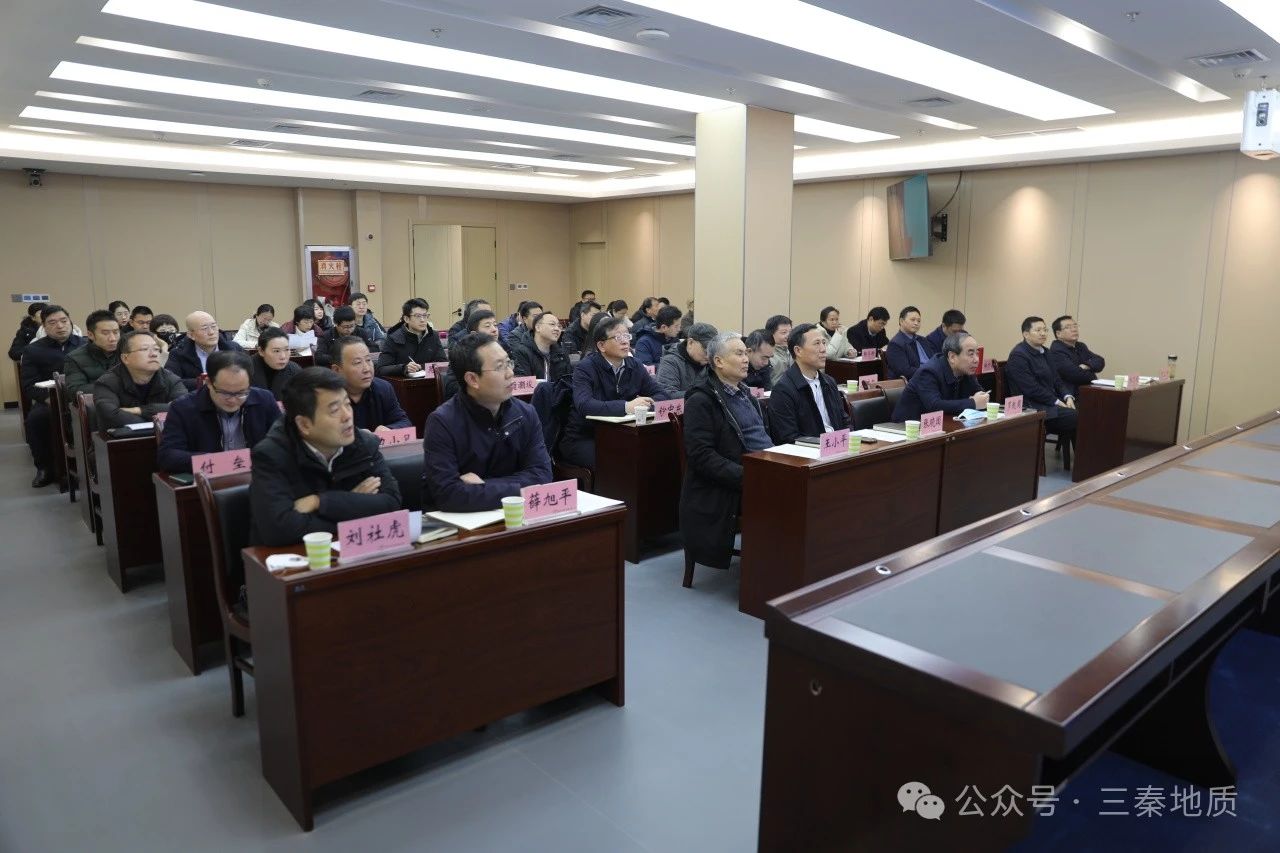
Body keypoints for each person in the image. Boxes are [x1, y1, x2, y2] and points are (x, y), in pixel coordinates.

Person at [247, 367, 402, 547]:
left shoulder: (364, 443)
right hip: (292, 559)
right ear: (304, 424)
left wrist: (320, 502)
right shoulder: (270, 455)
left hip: (354, 552)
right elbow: (280, 529)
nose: (347, 416)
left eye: (347, 404)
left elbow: (391, 502)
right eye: (334, 410)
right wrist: (354, 505)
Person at [421, 332, 552, 512]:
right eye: (500, 367)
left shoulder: (525, 413)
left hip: (513, 515)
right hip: (463, 522)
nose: (510, 373)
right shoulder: (442, 422)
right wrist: (519, 489)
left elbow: (542, 476)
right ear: (472, 379)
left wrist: (484, 486)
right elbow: (448, 494)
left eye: (509, 363)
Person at [680, 332, 773, 571]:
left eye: (746, 353)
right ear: (719, 361)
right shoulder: (701, 400)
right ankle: (772, 569)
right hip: (730, 484)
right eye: (739, 353)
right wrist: (748, 475)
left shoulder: (745, 393)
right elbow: (701, 456)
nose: (746, 359)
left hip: (766, 468)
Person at [559, 316, 669, 469]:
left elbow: (662, 395)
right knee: (617, 462)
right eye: (618, 337)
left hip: (621, 433)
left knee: (656, 454)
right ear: (601, 345)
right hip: (584, 436)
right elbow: (585, 405)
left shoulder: (635, 365)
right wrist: (627, 407)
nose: (625, 342)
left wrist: (643, 407)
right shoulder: (585, 368)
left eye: (626, 336)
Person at [157, 350, 279, 473]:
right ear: (209, 383)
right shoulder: (183, 408)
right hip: (208, 478)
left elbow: (282, 443)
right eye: (225, 393)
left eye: (241, 393)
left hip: (258, 476)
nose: (232, 400)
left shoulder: (264, 400)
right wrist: (221, 462)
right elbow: (168, 456)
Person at [20, 304, 83, 487]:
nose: (60, 326)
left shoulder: (85, 344)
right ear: (44, 327)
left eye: (64, 321)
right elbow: (29, 385)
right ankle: (44, 468)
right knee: (36, 419)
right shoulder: (33, 350)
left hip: (80, 396)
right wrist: (50, 400)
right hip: (49, 399)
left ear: (70, 322)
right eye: (53, 323)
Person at [767, 323, 850, 445]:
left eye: (824, 343)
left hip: (837, 447)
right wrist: (824, 445)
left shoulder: (829, 382)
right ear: (798, 351)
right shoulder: (783, 390)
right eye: (817, 343)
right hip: (811, 451)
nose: (823, 349)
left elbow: (844, 420)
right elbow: (788, 438)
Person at [94, 331, 187, 428]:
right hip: (124, 437)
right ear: (125, 358)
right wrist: (158, 420)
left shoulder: (170, 379)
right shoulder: (107, 382)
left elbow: (184, 408)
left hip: (165, 435)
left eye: (156, 349)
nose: (154, 354)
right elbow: (111, 416)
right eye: (144, 349)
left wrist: (140, 410)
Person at [1005, 316, 1078, 438]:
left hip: (1049, 402)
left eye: (1045, 330)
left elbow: (1056, 379)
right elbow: (1031, 389)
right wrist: (1057, 401)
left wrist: (1067, 396)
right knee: (1077, 417)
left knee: (1084, 411)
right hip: (1032, 406)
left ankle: (1082, 451)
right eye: (1038, 330)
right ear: (1026, 334)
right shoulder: (1018, 356)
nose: (1043, 333)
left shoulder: (1046, 352)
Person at [893, 334, 990, 421]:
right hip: (906, 428)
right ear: (952, 357)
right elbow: (934, 406)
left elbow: (980, 395)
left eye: (977, 354)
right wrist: (972, 403)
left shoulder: (966, 371)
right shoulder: (928, 372)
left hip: (945, 424)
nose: (976, 360)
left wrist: (982, 398)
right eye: (971, 354)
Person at [330, 335, 411, 432]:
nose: (367, 369)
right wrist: (359, 436)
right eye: (357, 362)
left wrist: (389, 429)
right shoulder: (326, 397)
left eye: (368, 360)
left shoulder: (383, 388)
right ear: (336, 370)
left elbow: (404, 422)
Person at [167, 311, 243, 390]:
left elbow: (248, 374)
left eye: (214, 326)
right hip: (196, 396)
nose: (211, 332)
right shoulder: (178, 354)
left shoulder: (234, 348)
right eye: (204, 329)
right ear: (191, 335)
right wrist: (204, 382)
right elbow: (171, 382)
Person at [377, 297, 446, 377]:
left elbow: (443, 363)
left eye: (425, 315)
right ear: (406, 319)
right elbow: (381, 369)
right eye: (418, 316)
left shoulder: (433, 335)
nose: (423, 320)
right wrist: (404, 368)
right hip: (404, 382)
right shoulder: (394, 337)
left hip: (429, 380)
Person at [63, 309, 120, 397]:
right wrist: (113, 387)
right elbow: (75, 390)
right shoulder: (75, 358)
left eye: (116, 332)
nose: (113, 338)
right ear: (90, 335)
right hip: (97, 403)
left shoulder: (127, 352)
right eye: (105, 333)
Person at [1049, 315, 1106, 397]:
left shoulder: (1080, 346)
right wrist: (1092, 372)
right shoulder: (1056, 351)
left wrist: (1087, 366)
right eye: (1068, 327)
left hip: (1087, 392)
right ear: (1058, 334)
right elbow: (1076, 375)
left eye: (1075, 326)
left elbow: (1100, 361)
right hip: (1070, 396)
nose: (1074, 329)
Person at [656, 321, 717, 398]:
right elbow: (666, 395)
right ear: (690, 342)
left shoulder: (713, 362)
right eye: (706, 351)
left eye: (712, 352)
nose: (708, 356)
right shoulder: (670, 361)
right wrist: (704, 396)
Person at [511, 311, 571, 382]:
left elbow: (567, 381)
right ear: (538, 327)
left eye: (559, 326)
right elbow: (523, 383)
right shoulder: (522, 352)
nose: (557, 329)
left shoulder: (561, 353)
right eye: (552, 324)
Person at [884, 305, 937, 381]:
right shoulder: (895, 344)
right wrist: (929, 373)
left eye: (919, 321)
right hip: (912, 382)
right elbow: (905, 371)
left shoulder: (922, 340)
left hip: (930, 378)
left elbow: (934, 360)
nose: (916, 323)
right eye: (913, 320)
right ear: (901, 321)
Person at [250, 327, 301, 399]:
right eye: (276, 351)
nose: (283, 356)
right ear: (261, 351)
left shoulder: (294, 370)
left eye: (286, 349)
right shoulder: (245, 369)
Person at [765, 314, 793, 385]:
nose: (788, 336)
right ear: (771, 334)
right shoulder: (766, 355)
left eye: (790, 332)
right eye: (784, 332)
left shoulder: (794, 351)